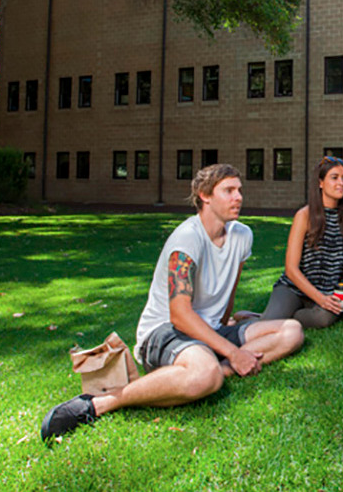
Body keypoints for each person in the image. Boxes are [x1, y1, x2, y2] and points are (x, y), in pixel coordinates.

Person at [41, 164, 304, 442]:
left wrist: (226, 324)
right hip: (164, 331)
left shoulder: (242, 235)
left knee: (292, 331)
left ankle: (212, 369)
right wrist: (234, 351)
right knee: (206, 376)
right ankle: (103, 401)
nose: (238, 197)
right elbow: (179, 315)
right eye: (228, 191)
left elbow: (229, 291)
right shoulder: (187, 238)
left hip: (208, 330)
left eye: (239, 190)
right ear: (205, 195)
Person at [259, 156, 343, 328]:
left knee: (325, 318)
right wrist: (320, 299)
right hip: (293, 289)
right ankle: (254, 319)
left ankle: (286, 318)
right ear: (320, 183)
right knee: (267, 325)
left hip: (328, 291)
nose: (341, 183)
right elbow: (291, 269)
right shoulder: (304, 215)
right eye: (334, 178)